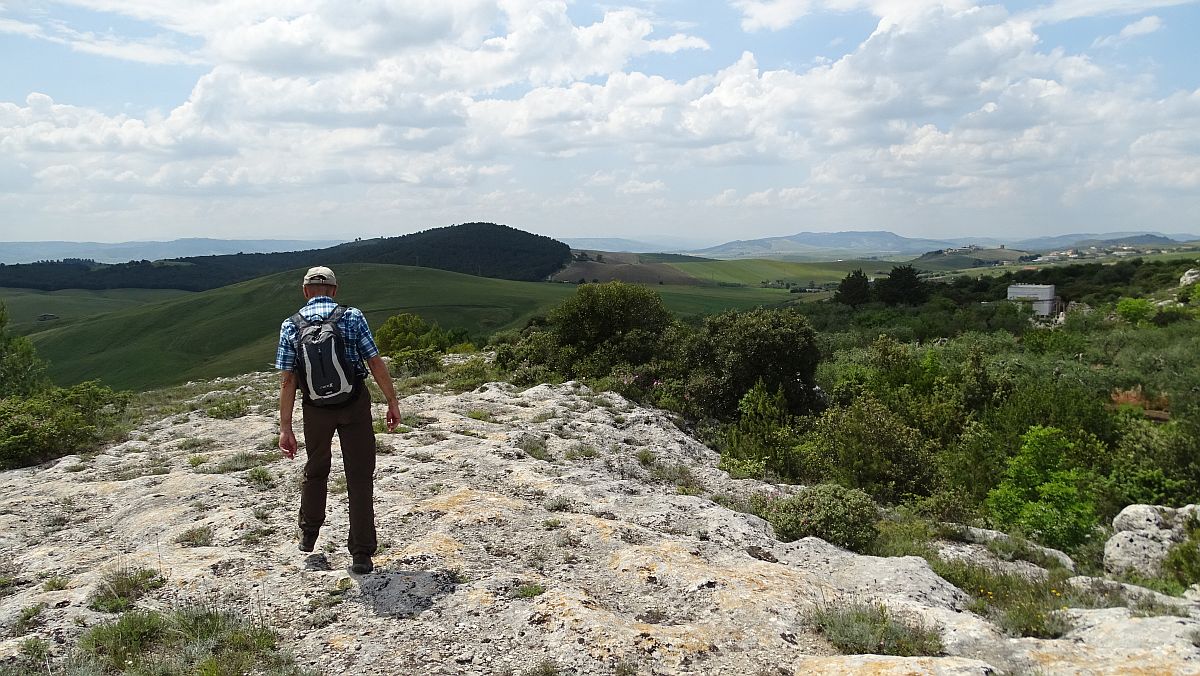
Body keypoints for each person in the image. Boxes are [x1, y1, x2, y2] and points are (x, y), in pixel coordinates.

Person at [276, 266, 401, 574]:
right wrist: (392, 401)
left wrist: (286, 427)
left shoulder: (290, 325)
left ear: (306, 292)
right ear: (334, 290)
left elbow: (287, 379)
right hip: (354, 402)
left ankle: (309, 532)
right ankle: (361, 554)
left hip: (315, 408)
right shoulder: (352, 316)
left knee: (316, 469)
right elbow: (373, 360)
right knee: (359, 477)